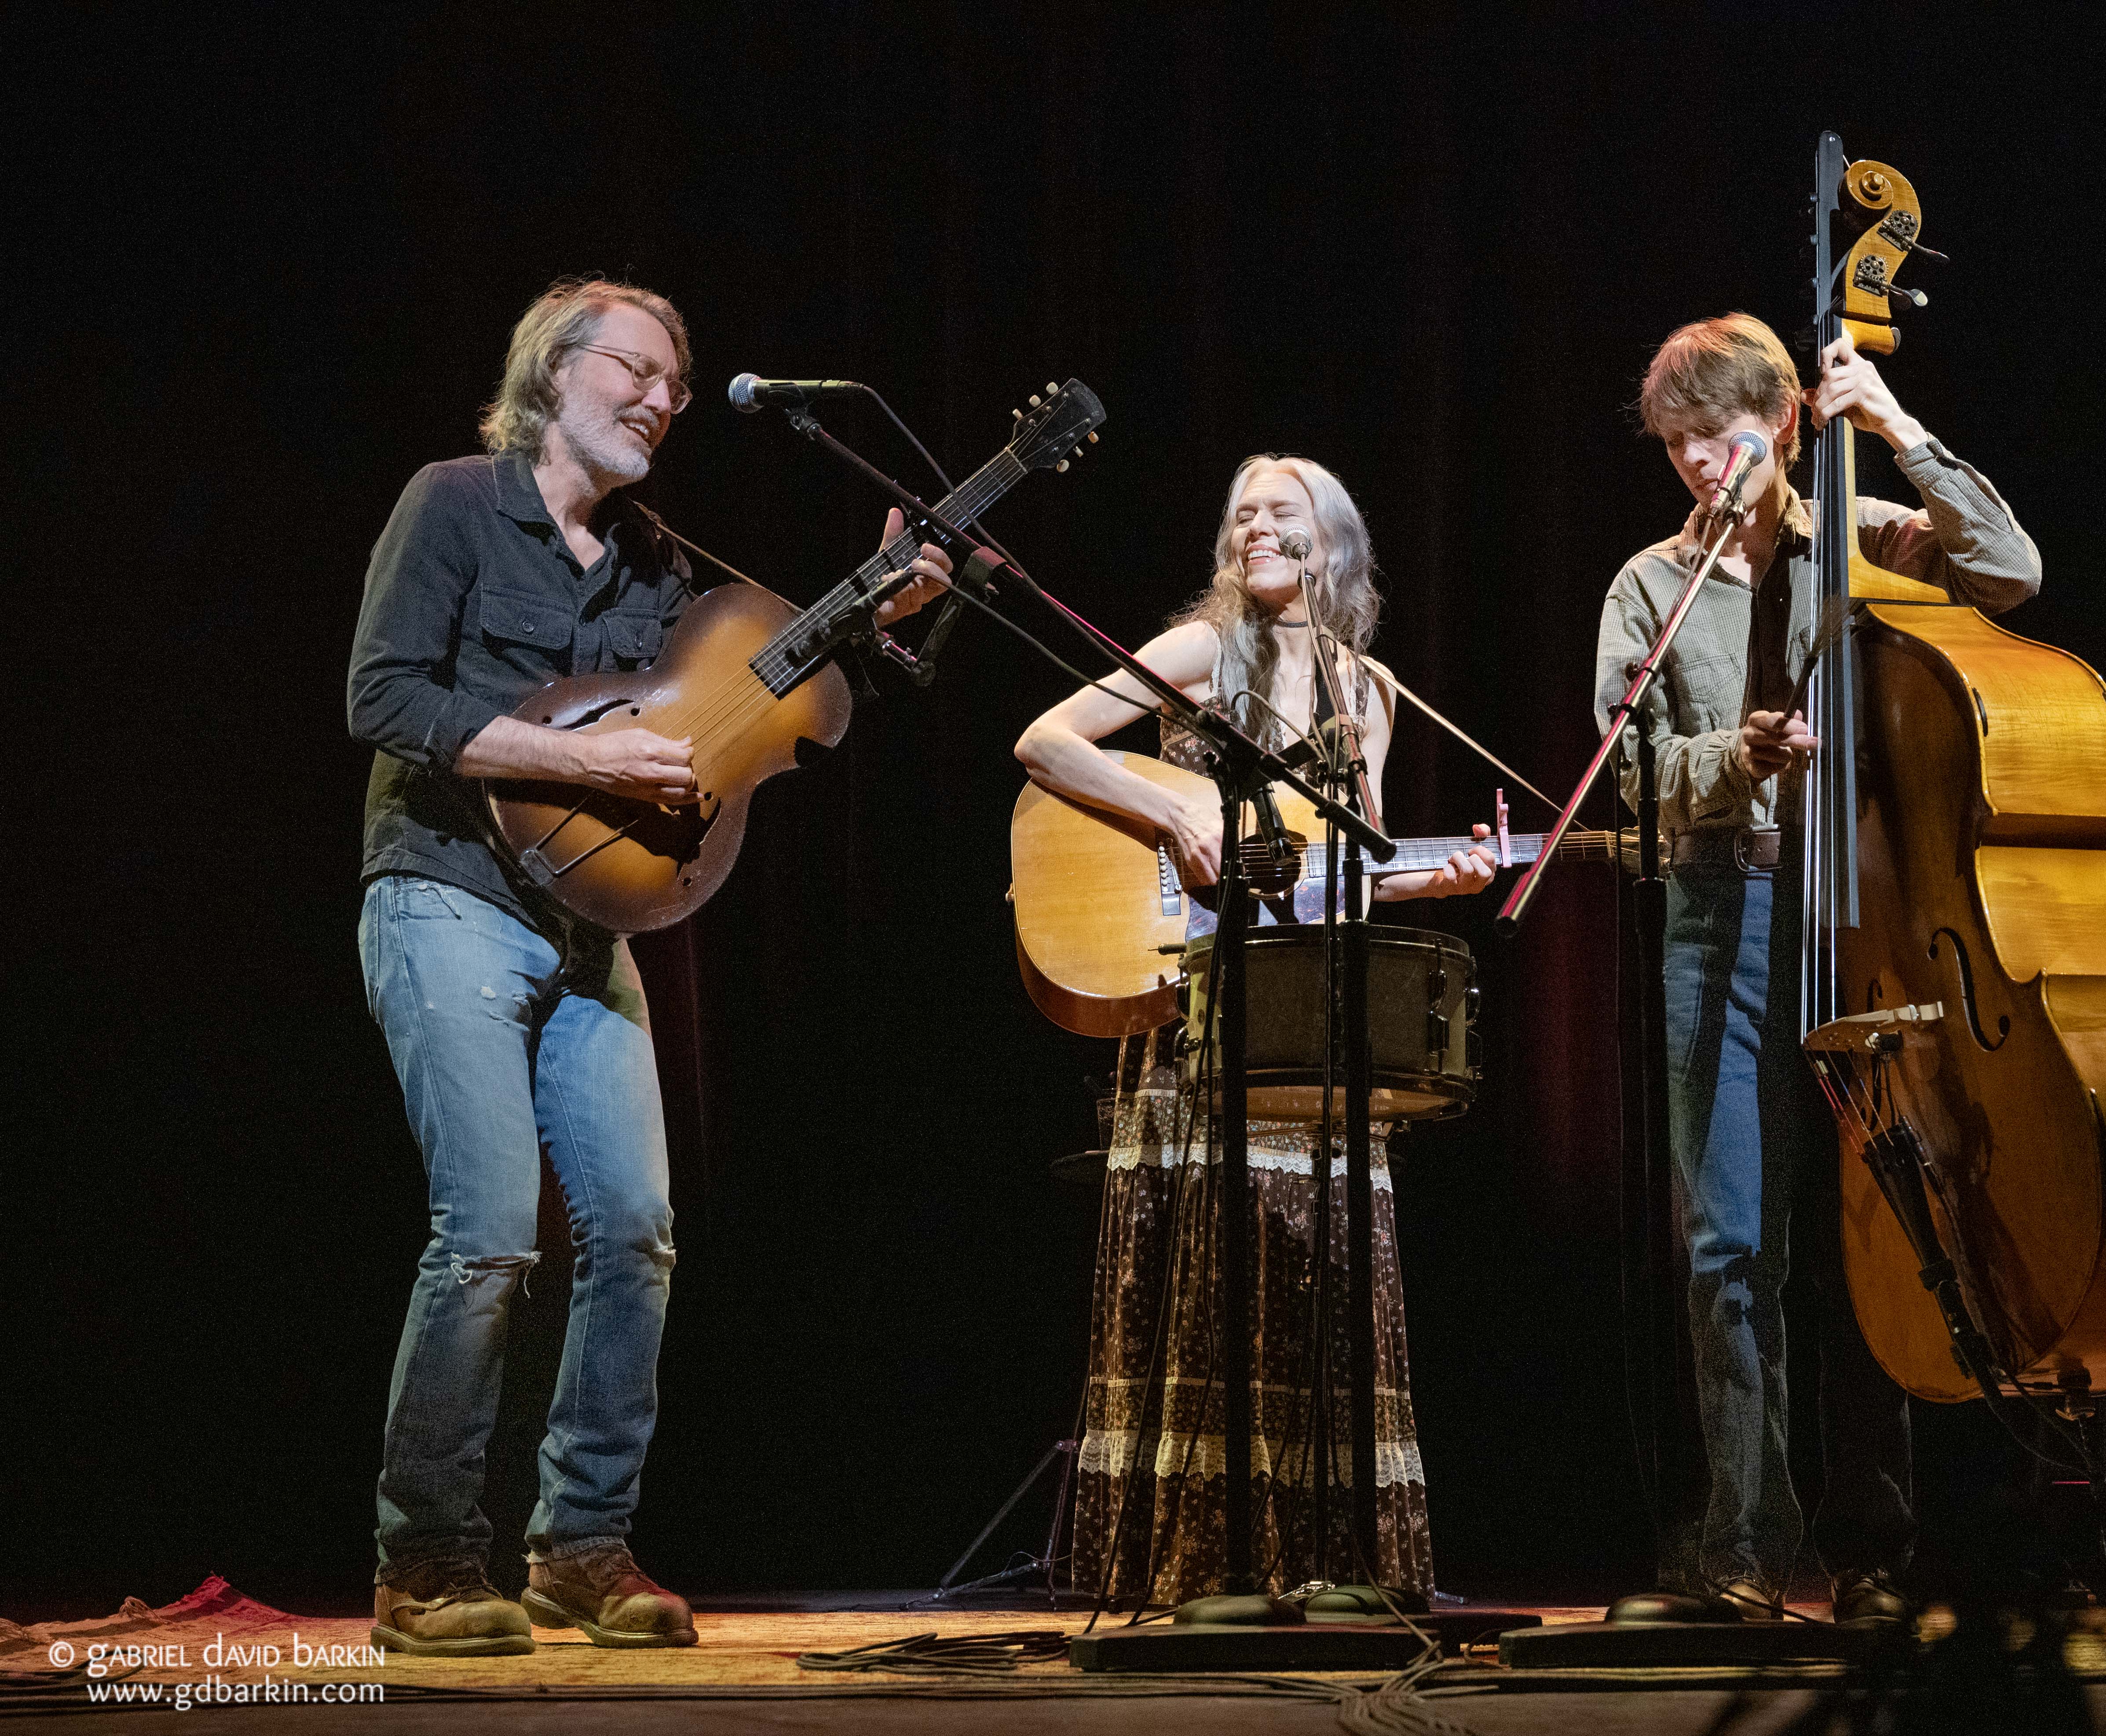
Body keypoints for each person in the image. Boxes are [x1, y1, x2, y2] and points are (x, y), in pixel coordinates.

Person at [345, 278, 949, 1655]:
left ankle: (580, 1546)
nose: (665, 399)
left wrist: (886, 608)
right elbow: (383, 696)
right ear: (553, 370)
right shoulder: (453, 503)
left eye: (677, 383)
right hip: (444, 891)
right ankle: (426, 1558)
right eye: (640, 369)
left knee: (635, 1230)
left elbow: (756, 691)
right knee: (490, 1232)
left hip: (589, 929)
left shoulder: (655, 560)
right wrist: (586, 761)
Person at [1594, 314, 2042, 1624]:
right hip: (1719, 911)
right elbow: (1630, 774)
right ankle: (1744, 1539)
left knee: (1876, 1236)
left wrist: (1894, 424)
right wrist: (1729, 757)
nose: (1698, 463)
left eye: (1721, 436)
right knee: (1730, 1241)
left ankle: (1873, 1549)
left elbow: (2011, 570)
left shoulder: (1868, 539)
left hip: (1865, 917)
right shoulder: (1649, 586)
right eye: (1677, 443)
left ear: (1786, 425)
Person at [1014, 454, 1496, 1604]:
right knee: (1212, 1274)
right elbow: (1046, 741)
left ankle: (1325, 1563)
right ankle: (1198, 1564)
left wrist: (1441, 879)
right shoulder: (1200, 651)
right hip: (1194, 999)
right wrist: (1171, 816)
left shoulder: (1367, 691)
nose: (1259, 528)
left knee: (1315, 1276)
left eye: (1284, 512)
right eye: (1243, 515)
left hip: (1311, 1012)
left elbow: (1348, 874)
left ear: (1335, 544)